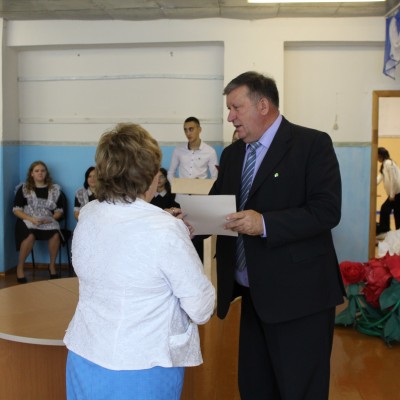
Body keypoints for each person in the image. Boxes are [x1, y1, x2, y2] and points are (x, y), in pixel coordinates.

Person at [209, 71, 345, 400]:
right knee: (255, 387)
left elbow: (327, 211)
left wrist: (265, 224)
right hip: (253, 295)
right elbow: (216, 207)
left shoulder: (312, 145)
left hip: (301, 297)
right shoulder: (233, 154)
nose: (230, 117)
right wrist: (182, 219)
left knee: (300, 389)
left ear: (263, 105)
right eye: (229, 109)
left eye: (236, 108)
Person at [64, 122, 215, 400]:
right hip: (142, 365)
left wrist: (164, 224)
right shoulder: (164, 230)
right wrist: (173, 232)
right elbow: (201, 308)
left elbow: (124, 239)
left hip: (85, 356)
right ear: (150, 176)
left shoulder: (88, 214)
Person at [13, 161, 64, 283]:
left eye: (42, 170)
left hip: (48, 220)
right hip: (27, 220)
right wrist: (31, 219)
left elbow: (59, 211)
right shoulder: (24, 188)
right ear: (32, 174)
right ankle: (20, 268)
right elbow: (16, 210)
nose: (40, 173)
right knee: (30, 236)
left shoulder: (55, 189)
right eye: (36, 171)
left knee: (55, 235)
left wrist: (51, 218)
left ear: (46, 173)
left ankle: (51, 266)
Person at [167, 116, 218, 181]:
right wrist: (176, 186)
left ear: (199, 129)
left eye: (191, 129)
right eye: (185, 130)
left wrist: (205, 186)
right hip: (182, 187)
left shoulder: (210, 152)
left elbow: (215, 177)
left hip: (201, 187)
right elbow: (170, 173)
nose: (188, 133)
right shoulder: (178, 150)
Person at [376, 147, 400, 236]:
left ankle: (389, 231)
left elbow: (394, 180)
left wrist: (392, 195)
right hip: (394, 194)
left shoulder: (389, 163)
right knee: (385, 209)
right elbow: (380, 178)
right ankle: (385, 229)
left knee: (396, 213)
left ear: (380, 155)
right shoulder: (384, 165)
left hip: (397, 193)